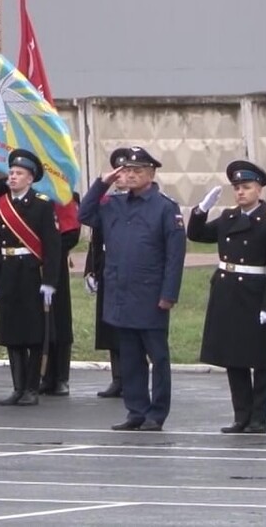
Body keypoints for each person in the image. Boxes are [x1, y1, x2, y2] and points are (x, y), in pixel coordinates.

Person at [79, 146, 185, 431]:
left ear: (150, 174)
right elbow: (84, 214)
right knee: (129, 356)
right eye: (127, 171)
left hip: (150, 294)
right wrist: (103, 182)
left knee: (158, 357)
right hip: (120, 292)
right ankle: (136, 410)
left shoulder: (165, 207)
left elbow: (175, 256)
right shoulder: (113, 204)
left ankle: (156, 413)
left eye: (137, 171)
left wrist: (169, 294)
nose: (131, 175)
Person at [189, 160, 266, 434]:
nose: (241, 192)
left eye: (247, 187)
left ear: (260, 190)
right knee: (234, 358)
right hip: (228, 290)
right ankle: (241, 415)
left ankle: (259, 418)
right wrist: (201, 210)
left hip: (254, 292)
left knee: (259, 359)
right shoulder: (229, 218)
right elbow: (196, 234)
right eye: (237, 188)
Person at [0, 149, 61, 407]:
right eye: (11, 173)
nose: (13, 177)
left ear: (30, 178)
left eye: (19, 174)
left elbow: (52, 246)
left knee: (33, 334)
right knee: (12, 332)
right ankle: (17, 387)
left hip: (31, 274)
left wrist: (50, 280)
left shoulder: (42, 203)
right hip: (8, 273)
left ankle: (31, 388)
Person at [88, 147, 132, 399]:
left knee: (128, 326)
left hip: (128, 268)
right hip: (107, 267)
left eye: (127, 170)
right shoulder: (107, 201)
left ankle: (131, 376)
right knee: (110, 326)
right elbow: (96, 237)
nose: (122, 176)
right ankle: (117, 377)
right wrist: (90, 270)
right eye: (119, 171)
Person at [41, 193, 81, 397]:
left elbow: (71, 234)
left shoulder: (62, 194)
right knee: (38, 321)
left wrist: (49, 251)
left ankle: (61, 377)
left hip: (55, 265)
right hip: (30, 267)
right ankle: (43, 375)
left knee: (59, 319)